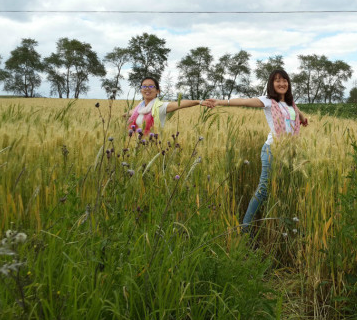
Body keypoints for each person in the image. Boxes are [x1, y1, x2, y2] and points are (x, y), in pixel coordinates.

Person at [205, 69, 308, 231]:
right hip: (272, 151)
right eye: (277, 80)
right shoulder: (268, 101)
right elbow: (245, 101)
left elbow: (297, 112)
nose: (282, 83)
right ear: (271, 84)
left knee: (280, 188)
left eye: (285, 80)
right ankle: (245, 228)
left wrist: (303, 119)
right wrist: (220, 101)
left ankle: (273, 225)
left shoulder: (290, 103)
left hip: (288, 152)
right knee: (263, 191)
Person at [127, 77, 205, 134]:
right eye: (144, 86)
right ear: (141, 90)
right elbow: (130, 112)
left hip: (152, 144)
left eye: (151, 86)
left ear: (157, 91)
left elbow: (180, 104)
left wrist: (199, 102)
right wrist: (122, 115)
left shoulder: (160, 107)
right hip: (136, 144)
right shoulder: (140, 107)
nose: (147, 88)